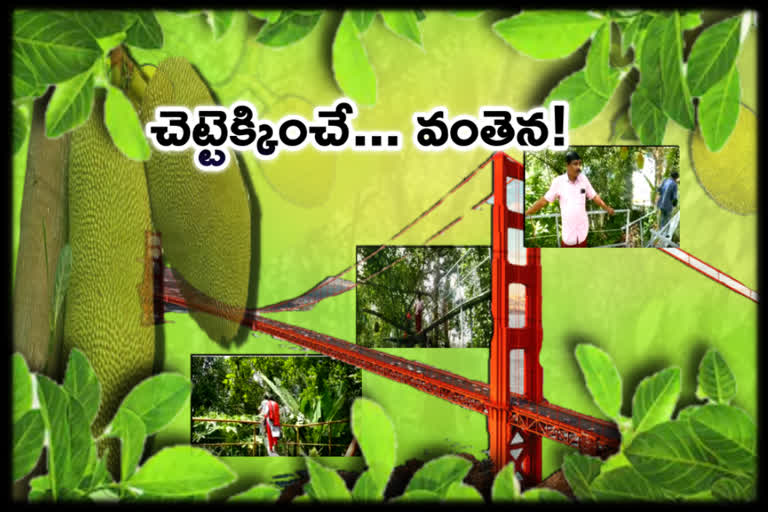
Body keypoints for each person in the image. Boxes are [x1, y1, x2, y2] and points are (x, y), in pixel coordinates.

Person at [525, 150, 615, 247]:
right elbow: (544, 201)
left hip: (582, 234)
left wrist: (606, 208)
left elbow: (594, 196)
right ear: (567, 165)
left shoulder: (583, 179)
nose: (578, 167)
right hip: (569, 237)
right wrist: (526, 213)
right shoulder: (558, 182)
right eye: (575, 164)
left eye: (580, 164)